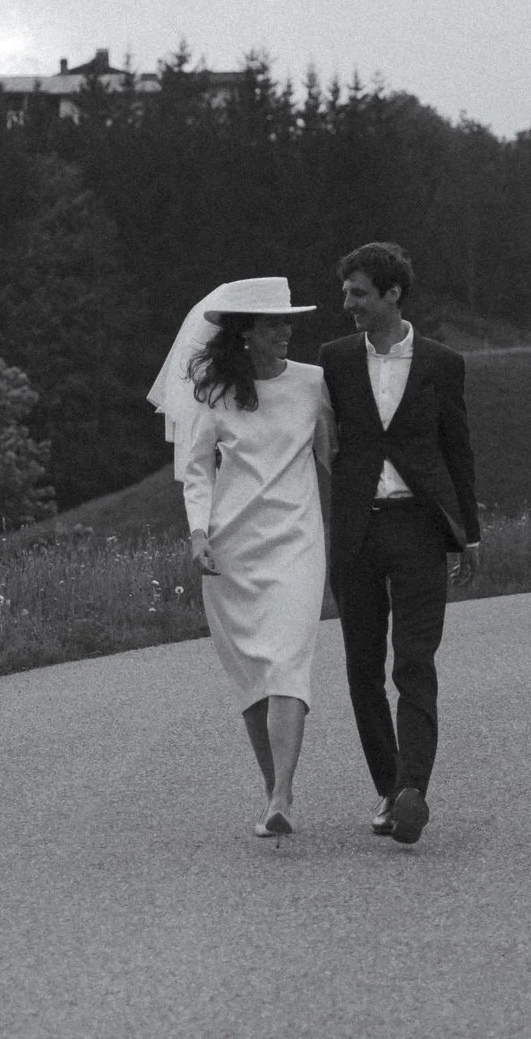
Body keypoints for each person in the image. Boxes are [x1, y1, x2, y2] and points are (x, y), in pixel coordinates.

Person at [149, 276, 332, 840]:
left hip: (298, 542)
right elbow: (198, 469)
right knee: (254, 676)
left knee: (287, 663)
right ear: (246, 333)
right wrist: (198, 534)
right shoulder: (214, 395)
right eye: (275, 323)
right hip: (232, 549)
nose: (287, 332)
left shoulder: (314, 384)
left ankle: (282, 792)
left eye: (287, 322)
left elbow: (335, 460)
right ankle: (272, 790)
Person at [318, 241, 483, 846]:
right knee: (363, 670)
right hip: (356, 530)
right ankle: (389, 789)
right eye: (345, 292)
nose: (348, 304)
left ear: (392, 294)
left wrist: (469, 534)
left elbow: (458, 451)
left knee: (414, 662)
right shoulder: (333, 360)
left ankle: (414, 789)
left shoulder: (443, 363)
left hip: (419, 525)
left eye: (358, 293)